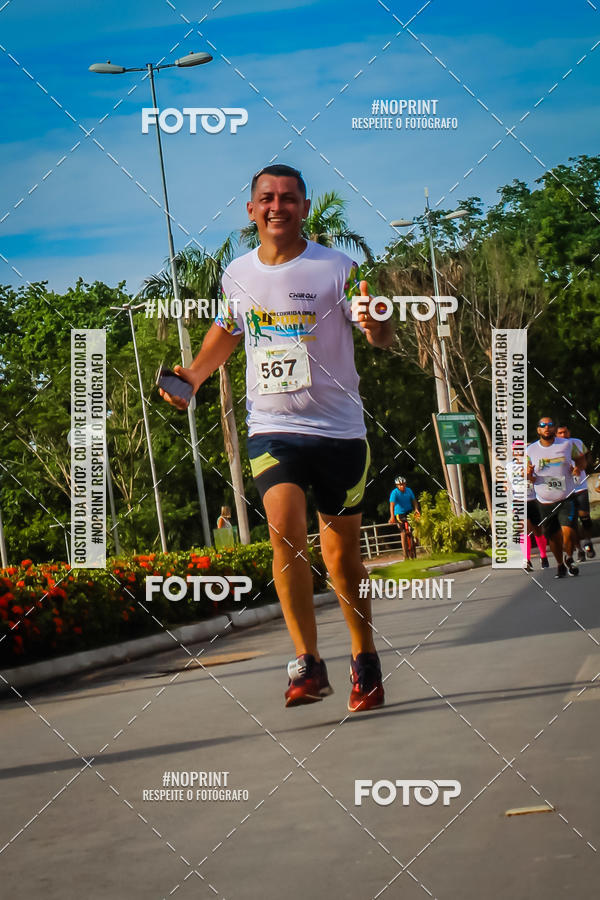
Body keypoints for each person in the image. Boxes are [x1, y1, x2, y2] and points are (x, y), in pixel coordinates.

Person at [159, 163, 395, 711]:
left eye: (289, 198)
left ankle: (365, 658)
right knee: (285, 534)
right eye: (267, 198)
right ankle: (307, 663)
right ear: (251, 210)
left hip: (339, 432)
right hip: (273, 429)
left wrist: (377, 320)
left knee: (342, 559)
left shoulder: (337, 268)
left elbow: (378, 336)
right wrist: (194, 374)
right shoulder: (237, 273)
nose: (277, 207)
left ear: (305, 209)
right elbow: (229, 328)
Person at [527, 417, 587, 578]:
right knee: (553, 537)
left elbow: (582, 461)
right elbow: (528, 476)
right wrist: (528, 475)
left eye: (550, 425)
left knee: (568, 530)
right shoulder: (531, 450)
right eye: (542, 425)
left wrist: (577, 469)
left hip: (566, 496)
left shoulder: (567, 445)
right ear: (538, 430)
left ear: (555, 429)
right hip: (544, 501)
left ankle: (569, 557)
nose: (546, 428)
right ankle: (560, 564)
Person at [556, 424, 595, 560]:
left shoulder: (576, 442)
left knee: (584, 517)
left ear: (569, 432)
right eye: (560, 433)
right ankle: (579, 550)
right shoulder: (553, 448)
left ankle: (588, 543)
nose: (563, 435)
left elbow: (587, 456)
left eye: (565, 432)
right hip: (565, 490)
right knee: (571, 523)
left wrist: (584, 467)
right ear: (555, 435)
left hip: (580, 486)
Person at [388, 476, 420, 561]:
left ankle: (416, 540)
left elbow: (414, 501)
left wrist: (416, 510)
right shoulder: (394, 493)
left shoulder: (409, 490)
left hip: (409, 511)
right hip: (399, 514)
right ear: (397, 486)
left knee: (416, 524)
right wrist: (392, 517)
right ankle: (405, 555)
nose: (402, 486)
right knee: (403, 532)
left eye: (403, 484)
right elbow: (392, 505)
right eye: (400, 485)